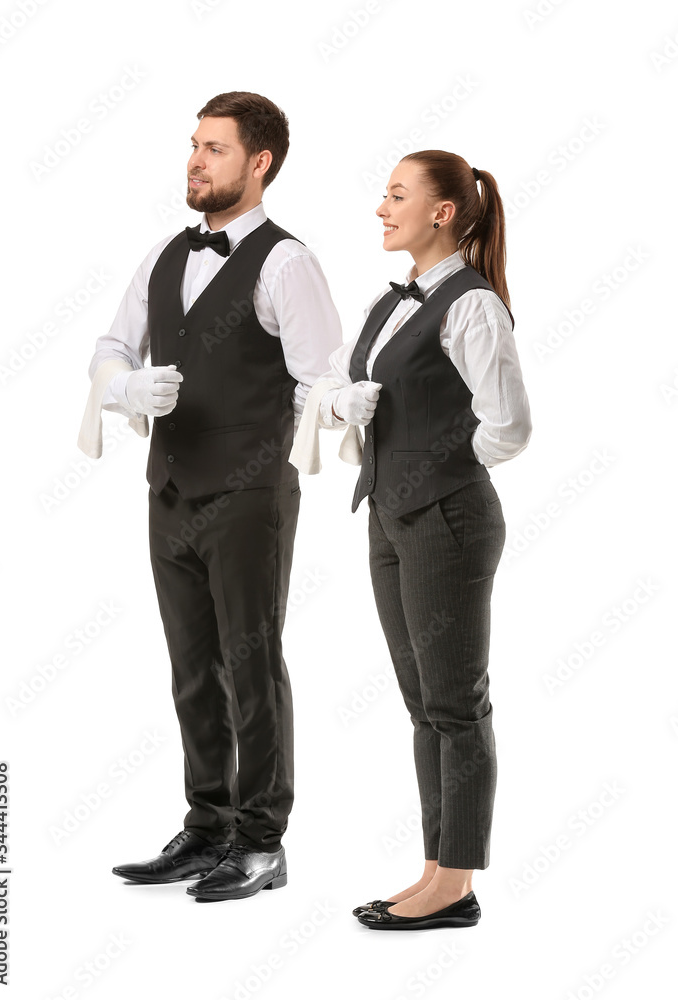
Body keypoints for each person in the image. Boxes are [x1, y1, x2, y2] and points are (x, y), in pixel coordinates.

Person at [77, 91, 342, 902]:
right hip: (169, 491)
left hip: (250, 495)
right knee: (193, 668)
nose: (195, 160)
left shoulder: (288, 262)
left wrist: (259, 447)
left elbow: (323, 380)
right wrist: (125, 389)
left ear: (258, 163)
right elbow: (111, 348)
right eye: (193, 144)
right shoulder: (164, 253)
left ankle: (262, 843)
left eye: (215, 148)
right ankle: (208, 825)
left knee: (251, 664)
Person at [289, 151, 532, 930]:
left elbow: (511, 426)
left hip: (448, 520)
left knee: (457, 706)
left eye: (397, 195)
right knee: (424, 705)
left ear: (444, 213)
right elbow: (323, 385)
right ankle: (435, 866)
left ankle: (455, 884)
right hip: (390, 517)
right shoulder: (390, 302)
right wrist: (340, 403)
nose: (380, 208)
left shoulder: (473, 305)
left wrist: (447, 465)